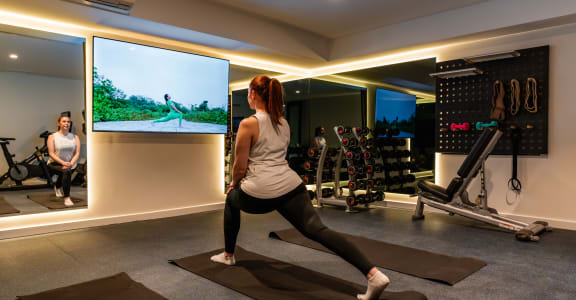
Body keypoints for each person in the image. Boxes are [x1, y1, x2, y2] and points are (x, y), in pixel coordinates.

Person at [210, 75, 389, 299]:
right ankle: (373, 274)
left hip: (260, 193)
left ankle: (228, 255)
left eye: (248, 92)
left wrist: (233, 185)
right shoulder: (284, 123)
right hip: (291, 186)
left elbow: (239, 166)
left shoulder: (248, 124)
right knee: (318, 230)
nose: (248, 96)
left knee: (230, 200)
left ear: (253, 94)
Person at [47, 115, 81, 207]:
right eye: (64, 121)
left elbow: (77, 153)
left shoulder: (75, 137)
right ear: (59, 123)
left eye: (68, 122)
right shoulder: (52, 137)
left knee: (65, 172)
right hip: (54, 163)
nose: (66, 123)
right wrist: (63, 163)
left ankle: (57, 186)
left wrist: (71, 163)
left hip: (70, 163)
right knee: (66, 171)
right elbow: (51, 153)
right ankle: (67, 198)